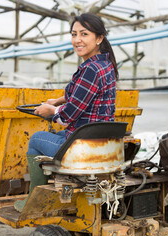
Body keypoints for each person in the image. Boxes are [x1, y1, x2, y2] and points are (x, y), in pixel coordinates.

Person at [14, 13, 118, 212]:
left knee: (36, 139)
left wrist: (50, 110)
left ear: (99, 38)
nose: (77, 40)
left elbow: (66, 116)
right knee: (59, 135)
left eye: (84, 34)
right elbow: (83, 92)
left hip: (83, 149)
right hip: (102, 143)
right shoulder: (105, 65)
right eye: (74, 34)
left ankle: (33, 201)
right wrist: (58, 100)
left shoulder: (90, 69)